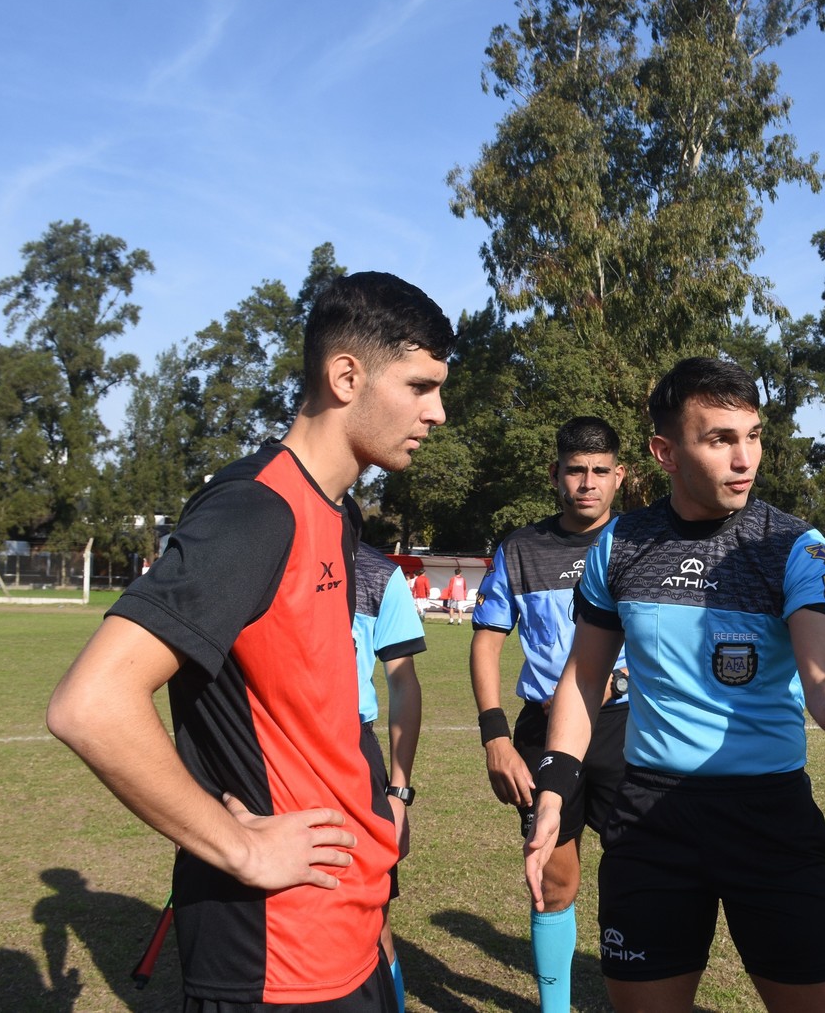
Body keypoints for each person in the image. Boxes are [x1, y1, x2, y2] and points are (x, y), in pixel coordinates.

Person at [47, 272, 453, 1011]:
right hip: (277, 953)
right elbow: (91, 702)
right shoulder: (255, 510)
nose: (439, 412)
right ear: (345, 375)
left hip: (348, 921)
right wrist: (242, 847)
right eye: (420, 386)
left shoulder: (336, 510)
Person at [523, 357, 825, 1013]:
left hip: (767, 817)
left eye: (752, 435)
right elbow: (582, 679)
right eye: (719, 437)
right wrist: (555, 784)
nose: (744, 457)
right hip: (648, 819)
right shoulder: (619, 543)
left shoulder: (797, 546)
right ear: (665, 450)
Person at [469, 416, 630, 1013]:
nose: (587, 482)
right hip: (542, 731)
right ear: (556, 474)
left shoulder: (642, 541)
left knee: (640, 875)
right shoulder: (520, 547)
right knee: (552, 879)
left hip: (627, 727)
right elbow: (486, 641)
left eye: (599, 470)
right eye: (575, 470)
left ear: (620, 475)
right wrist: (495, 737)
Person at [353, 542, 426, 1012]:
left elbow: (402, 680)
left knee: (370, 918)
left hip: (352, 748)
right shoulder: (253, 549)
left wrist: (398, 791)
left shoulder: (377, 572)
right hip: (262, 747)